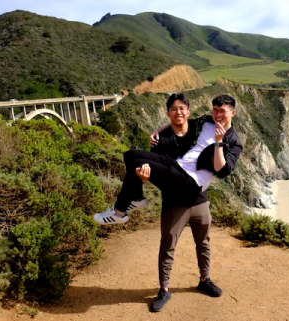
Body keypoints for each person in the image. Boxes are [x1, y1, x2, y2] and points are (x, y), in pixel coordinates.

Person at [92, 94, 243, 312]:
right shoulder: (206, 121)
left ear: (233, 113)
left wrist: (219, 142)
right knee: (131, 156)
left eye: (223, 111)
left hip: (193, 187)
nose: (218, 114)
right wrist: (159, 131)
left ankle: (204, 280)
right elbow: (184, 119)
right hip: (177, 171)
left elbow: (223, 171)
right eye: (216, 110)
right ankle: (164, 289)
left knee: (203, 243)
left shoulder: (233, 141)